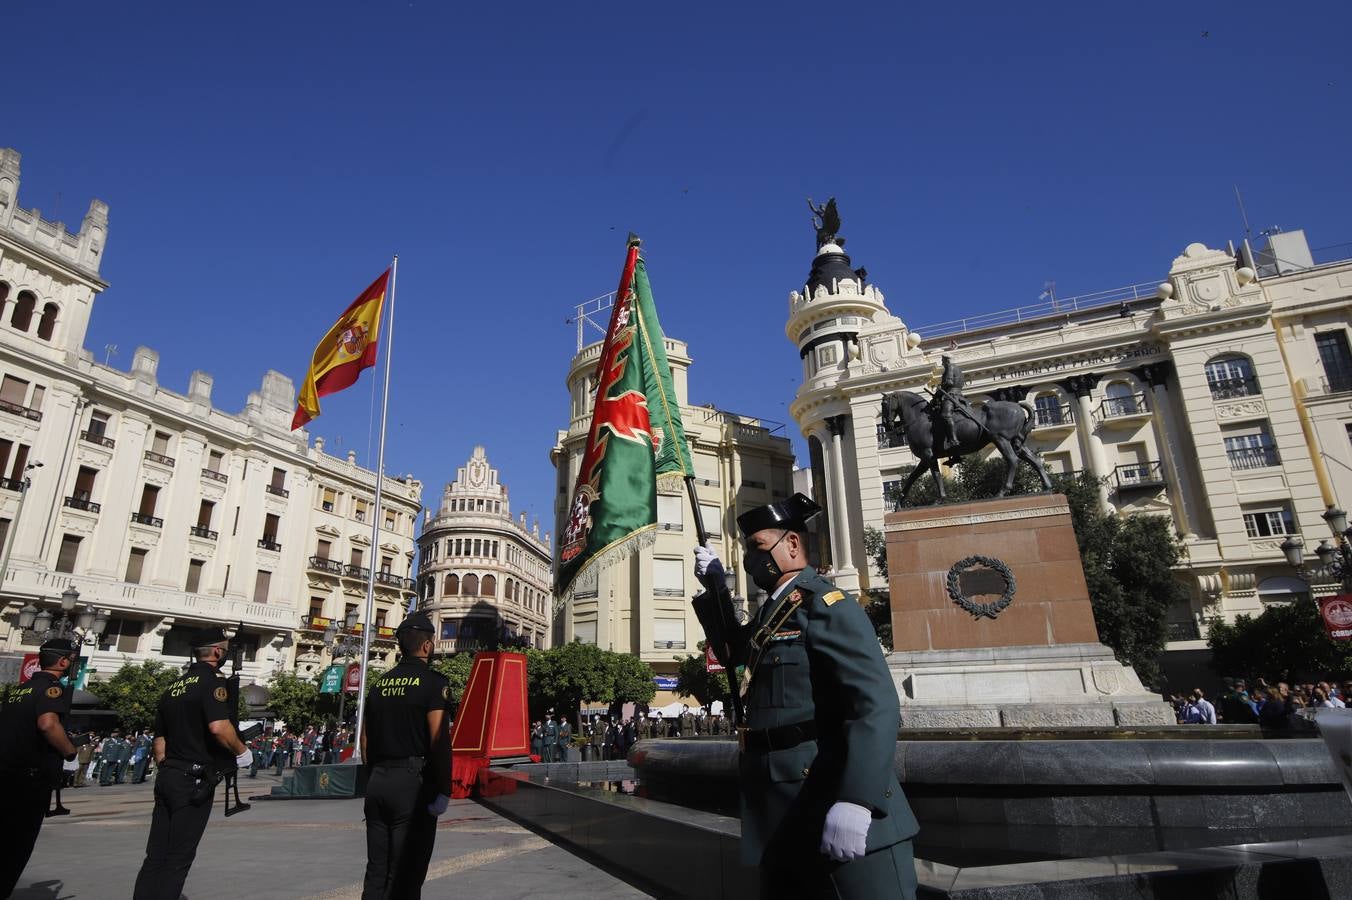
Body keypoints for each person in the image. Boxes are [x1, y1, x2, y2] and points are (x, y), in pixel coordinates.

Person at [692, 493, 918, 899]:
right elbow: (730, 652)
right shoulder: (771, 612)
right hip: (779, 812)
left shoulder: (826, 605)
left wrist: (857, 799)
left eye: (757, 547)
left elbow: (875, 703)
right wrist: (715, 588)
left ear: (792, 545)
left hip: (834, 802)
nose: (750, 558)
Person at [133, 626, 253, 900]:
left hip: (169, 775)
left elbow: (160, 740)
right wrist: (242, 751)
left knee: (155, 856)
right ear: (216, 652)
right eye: (223, 649)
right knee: (178, 858)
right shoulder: (212, 683)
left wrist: (168, 767)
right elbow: (219, 727)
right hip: (194, 779)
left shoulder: (172, 688)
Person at [360, 610, 453, 899]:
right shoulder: (434, 683)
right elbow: (438, 740)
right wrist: (444, 789)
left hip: (377, 782)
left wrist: (377, 772)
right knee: (407, 872)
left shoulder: (378, 685)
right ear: (427, 645)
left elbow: (364, 741)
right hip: (411, 786)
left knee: (376, 869)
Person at [0, 638, 79, 897]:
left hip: (6, 772)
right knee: (17, 844)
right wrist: (69, 750)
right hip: (30, 779)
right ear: (63, 661)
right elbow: (47, 724)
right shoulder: (51, 688)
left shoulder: (19, 690)